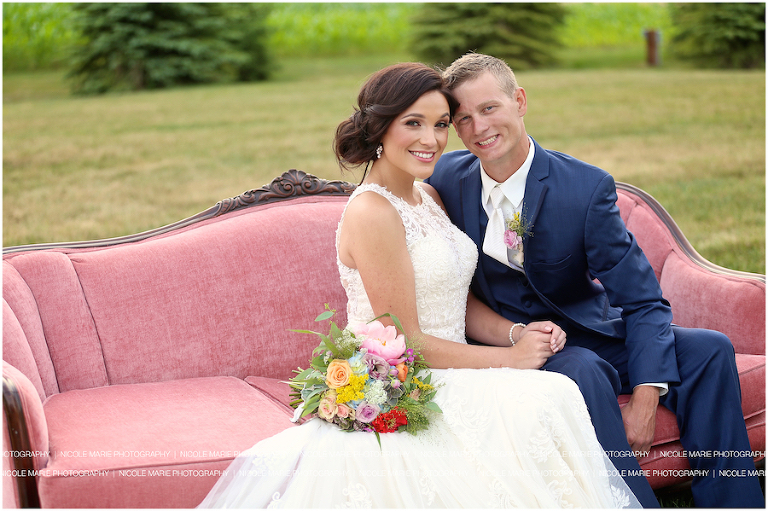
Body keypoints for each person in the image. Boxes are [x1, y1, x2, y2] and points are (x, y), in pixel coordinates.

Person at [198, 63, 642, 508]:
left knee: (554, 392)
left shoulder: (428, 196)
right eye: (414, 123)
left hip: (454, 364)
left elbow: (456, 301)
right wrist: (510, 359)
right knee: (547, 396)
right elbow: (407, 340)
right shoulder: (373, 213)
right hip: (415, 376)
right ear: (380, 128)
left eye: (441, 124)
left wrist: (517, 333)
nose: (431, 140)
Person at [425, 52, 764, 508]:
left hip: (588, 330)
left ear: (519, 101)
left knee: (709, 349)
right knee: (584, 369)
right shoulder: (446, 178)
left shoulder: (583, 189)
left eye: (489, 108)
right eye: (463, 118)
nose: (479, 128)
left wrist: (646, 396)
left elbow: (642, 300)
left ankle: (734, 502)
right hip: (511, 346)